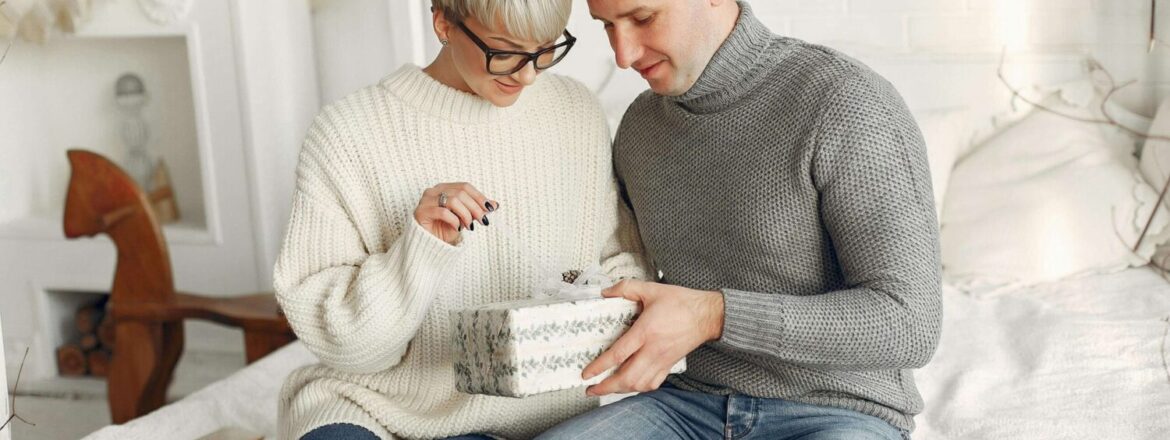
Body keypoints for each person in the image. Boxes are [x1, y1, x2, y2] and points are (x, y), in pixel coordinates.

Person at [538, 1, 943, 439]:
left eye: (643, 18)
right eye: (607, 27)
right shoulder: (640, 127)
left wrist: (714, 315)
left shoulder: (845, 101)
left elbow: (910, 323)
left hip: (838, 410)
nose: (624, 55)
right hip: (686, 403)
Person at [273, 1, 648, 438]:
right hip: (372, 410)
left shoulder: (577, 113)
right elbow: (346, 348)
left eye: (545, 50)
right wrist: (419, 251)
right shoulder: (346, 133)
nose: (527, 75)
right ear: (443, 22)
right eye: (504, 52)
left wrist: (587, 302)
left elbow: (624, 264)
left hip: (537, 420)